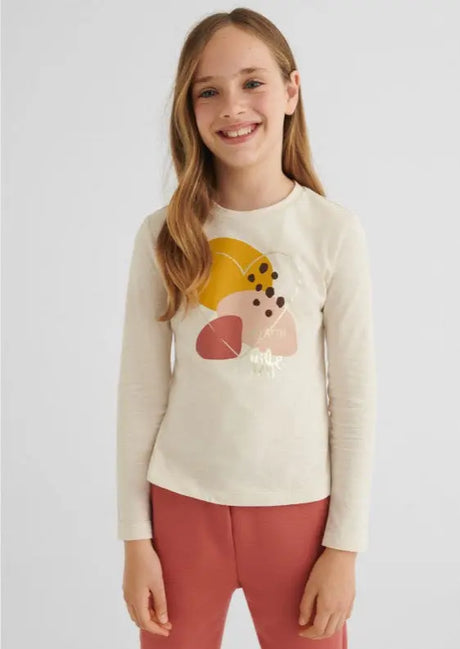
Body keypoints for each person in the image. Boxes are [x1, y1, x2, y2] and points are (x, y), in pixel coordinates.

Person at [116, 7, 377, 649]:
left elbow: (354, 400)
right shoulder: (163, 235)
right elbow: (141, 394)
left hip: (298, 515)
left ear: (291, 91)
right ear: (190, 109)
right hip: (180, 509)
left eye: (252, 82)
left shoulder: (333, 232)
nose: (232, 106)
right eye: (208, 91)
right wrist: (135, 539)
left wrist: (344, 548)